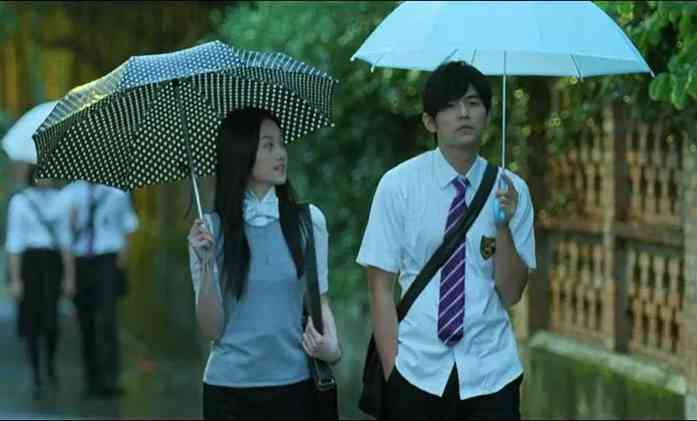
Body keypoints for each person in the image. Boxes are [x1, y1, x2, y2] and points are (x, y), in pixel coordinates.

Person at [356, 61, 536, 420]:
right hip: (416, 370)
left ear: (487, 114)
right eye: (451, 106)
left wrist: (502, 226)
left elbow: (512, 293)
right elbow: (380, 288)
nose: (464, 113)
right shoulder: (398, 186)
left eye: (473, 103)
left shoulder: (511, 191)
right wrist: (393, 373)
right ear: (430, 121)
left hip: (491, 372)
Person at [188, 107, 341, 420]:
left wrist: (332, 347)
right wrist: (206, 264)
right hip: (228, 392)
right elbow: (212, 329)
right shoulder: (208, 232)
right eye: (268, 145)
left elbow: (319, 298)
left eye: (282, 144)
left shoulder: (308, 222)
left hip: (295, 387)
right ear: (241, 154)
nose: (281, 153)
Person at [59, 179, 139, 398]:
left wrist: (122, 260)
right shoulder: (69, 195)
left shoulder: (117, 192)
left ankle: (111, 378)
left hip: (107, 260)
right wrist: (69, 276)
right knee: (85, 322)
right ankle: (91, 379)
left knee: (108, 319)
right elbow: (64, 238)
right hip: (81, 261)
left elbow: (129, 225)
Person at [5, 165, 75, 400]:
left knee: (52, 319)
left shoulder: (61, 200)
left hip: (52, 263)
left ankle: (50, 364)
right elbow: (14, 242)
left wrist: (69, 276)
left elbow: (66, 241)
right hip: (30, 264)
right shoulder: (20, 202)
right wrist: (15, 278)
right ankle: (37, 374)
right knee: (31, 321)